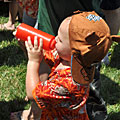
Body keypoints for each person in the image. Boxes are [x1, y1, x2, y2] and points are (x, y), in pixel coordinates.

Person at [24, 11, 120, 120]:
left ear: (74, 52)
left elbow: (32, 94)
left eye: (59, 39)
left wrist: (33, 61)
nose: (54, 39)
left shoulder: (68, 83)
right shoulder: (75, 60)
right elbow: (48, 57)